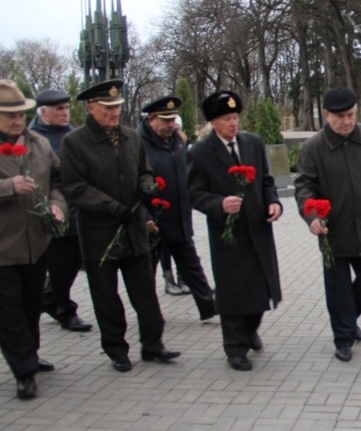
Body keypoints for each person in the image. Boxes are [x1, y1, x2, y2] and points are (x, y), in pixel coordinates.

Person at [59, 79, 181, 373]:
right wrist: (111, 207)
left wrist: (146, 186)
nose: (114, 112)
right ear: (91, 107)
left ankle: (153, 345)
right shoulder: (74, 143)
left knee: (145, 294)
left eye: (117, 107)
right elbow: (75, 188)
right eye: (108, 107)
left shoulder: (130, 137)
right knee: (106, 297)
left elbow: (145, 170)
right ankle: (116, 350)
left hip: (134, 229)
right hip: (99, 233)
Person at [294, 87, 361, 363]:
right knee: (338, 289)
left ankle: (348, 319)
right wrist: (312, 217)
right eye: (340, 116)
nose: (347, 121)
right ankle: (343, 338)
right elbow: (304, 186)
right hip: (333, 230)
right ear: (326, 115)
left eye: (351, 114)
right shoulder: (313, 148)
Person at [187, 90, 282, 371]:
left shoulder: (252, 143)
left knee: (260, 288)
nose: (233, 123)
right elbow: (194, 193)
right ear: (213, 122)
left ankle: (251, 329)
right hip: (227, 234)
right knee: (232, 292)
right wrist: (218, 204)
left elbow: (266, 180)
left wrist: (274, 202)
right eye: (226, 118)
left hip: (258, 228)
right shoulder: (201, 153)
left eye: (236, 117)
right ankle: (235, 348)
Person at [0, 80, 67, 399]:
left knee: (30, 306)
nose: (17, 121)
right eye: (9, 116)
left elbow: (58, 181)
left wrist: (57, 204)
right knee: (9, 312)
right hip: (2, 248)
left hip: (36, 243)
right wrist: (8, 187)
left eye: (20, 115)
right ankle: (23, 371)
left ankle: (30, 354)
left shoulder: (39, 143)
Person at [138, 96, 216, 321]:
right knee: (145, 273)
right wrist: (144, 217)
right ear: (151, 119)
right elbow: (130, 185)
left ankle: (209, 307)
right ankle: (149, 315)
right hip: (152, 220)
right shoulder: (138, 144)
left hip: (178, 217)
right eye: (165, 120)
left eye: (173, 119)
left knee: (192, 265)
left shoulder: (178, 141)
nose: (171, 124)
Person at [29, 89, 93, 336]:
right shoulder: (34, 138)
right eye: (59, 109)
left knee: (73, 264)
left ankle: (49, 298)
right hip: (53, 213)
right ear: (43, 112)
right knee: (59, 266)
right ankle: (66, 311)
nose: (65, 113)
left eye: (66, 108)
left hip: (79, 210)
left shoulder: (73, 133)